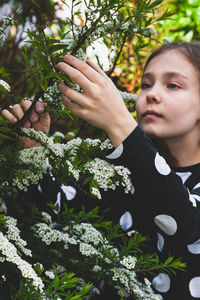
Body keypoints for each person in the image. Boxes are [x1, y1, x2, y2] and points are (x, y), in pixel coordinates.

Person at [2, 42, 200, 299]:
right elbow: (58, 214)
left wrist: (120, 124)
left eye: (173, 85)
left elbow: (187, 227)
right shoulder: (121, 167)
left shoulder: (135, 160)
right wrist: (33, 154)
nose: (152, 94)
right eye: (146, 84)